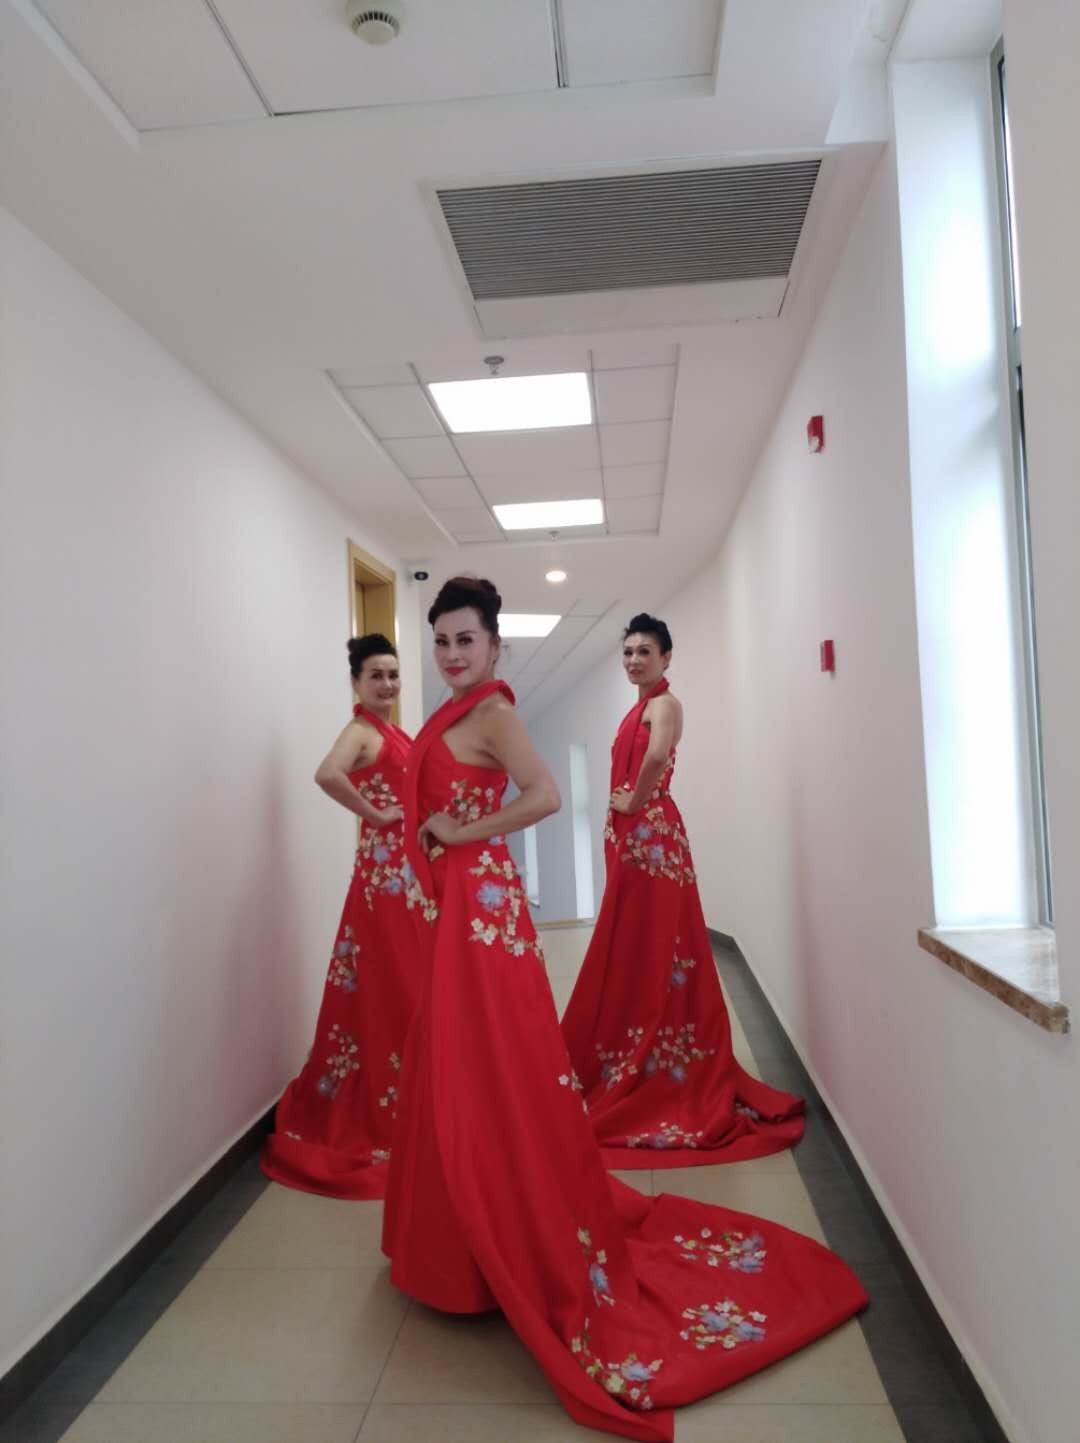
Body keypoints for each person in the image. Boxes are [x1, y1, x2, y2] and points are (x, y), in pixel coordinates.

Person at [382, 579, 866, 1441]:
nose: (452, 654)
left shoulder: (493, 714)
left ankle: (499, 1233)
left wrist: (459, 833)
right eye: (442, 640)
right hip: (461, 909)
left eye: (466, 640)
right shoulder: (452, 713)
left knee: (483, 1067)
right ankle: (453, 1239)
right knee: (459, 1066)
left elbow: (543, 795)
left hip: (482, 914)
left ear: (495, 646)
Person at [562, 614, 805, 1170]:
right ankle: (636, 1043)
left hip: (649, 836)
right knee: (639, 943)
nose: (633, 660)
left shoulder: (665, 704)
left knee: (656, 944)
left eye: (644, 651)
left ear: (666, 657)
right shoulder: (641, 705)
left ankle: (658, 1052)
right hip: (635, 837)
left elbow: (654, 757)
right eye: (627, 652)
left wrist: (633, 801)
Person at [262, 633, 421, 1199]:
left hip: (401, 873)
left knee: (402, 980)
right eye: (376, 675)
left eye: (393, 674)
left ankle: (411, 1090)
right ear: (356, 682)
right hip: (385, 875)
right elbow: (327, 774)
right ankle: (389, 1098)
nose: (387, 684)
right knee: (394, 981)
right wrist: (374, 813)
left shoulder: (390, 731)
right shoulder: (360, 731)